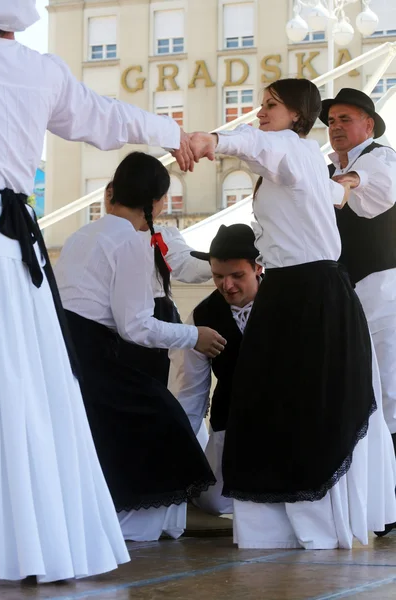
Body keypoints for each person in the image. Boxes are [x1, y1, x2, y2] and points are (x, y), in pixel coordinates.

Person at [0, 0, 200, 583]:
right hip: (9, 252)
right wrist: (175, 133)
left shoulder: (98, 234)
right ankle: (27, 537)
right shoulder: (37, 69)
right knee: (22, 391)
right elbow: (105, 117)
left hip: (14, 251)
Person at [189, 78, 396, 550]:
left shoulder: (293, 148)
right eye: (261, 105)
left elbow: (256, 143)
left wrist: (212, 140)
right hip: (297, 289)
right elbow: (329, 198)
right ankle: (290, 522)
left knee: (308, 404)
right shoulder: (306, 160)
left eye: (271, 105)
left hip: (314, 291)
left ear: (296, 114)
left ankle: (312, 521)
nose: (261, 112)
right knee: (281, 402)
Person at [55, 151, 224, 542]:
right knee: (163, 417)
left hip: (68, 352)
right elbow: (136, 326)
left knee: (129, 427)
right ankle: (141, 523)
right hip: (97, 355)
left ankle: (152, 519)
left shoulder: (83, 234)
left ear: (113, 191)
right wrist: (194, 336)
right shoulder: (131, 242)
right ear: (159, 201)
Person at [169, 224, 262, 516]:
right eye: (218, 276)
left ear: (258, 268)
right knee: (213, 500)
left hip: (282, 422)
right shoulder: (201, 316)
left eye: (237, 276)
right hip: (230, 422)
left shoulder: (286, 302)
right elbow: (191, 392)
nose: (227, 286)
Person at [320, 89, 396, 440]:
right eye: (331, 121)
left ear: (368, 125)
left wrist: (351, 180)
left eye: (344, 119)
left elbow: (378, 182)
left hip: (384, 295)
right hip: (349, 296)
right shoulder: (326, 171)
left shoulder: (382, 157)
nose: (335, 126)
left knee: (390, 393)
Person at [104, 182, 212, 385]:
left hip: (157, 318)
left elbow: (186, 264)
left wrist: (216, 264)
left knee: (164, 386)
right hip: (114, 327)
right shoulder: (101, 237)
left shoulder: (160, 236)